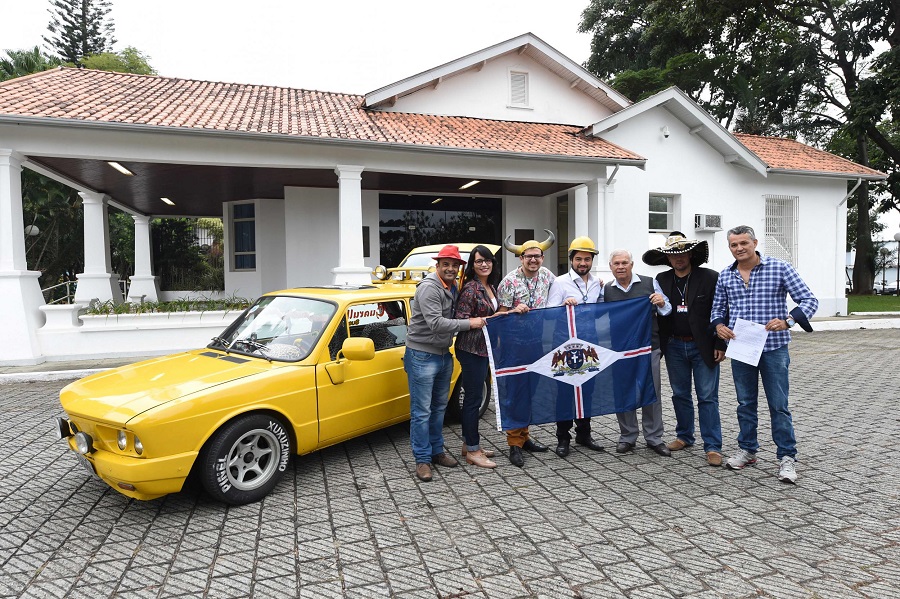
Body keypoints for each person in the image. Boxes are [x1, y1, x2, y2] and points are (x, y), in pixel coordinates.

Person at [710, 225, 818, 484]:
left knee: (778, 405)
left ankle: (787, 457)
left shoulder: (779, 268)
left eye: (744, 243)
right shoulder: (726, 275)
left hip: (774, 348)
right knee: (745, 403)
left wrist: (788, 321)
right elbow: (717, 309)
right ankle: (748, 450)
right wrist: (719, 327)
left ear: (755, 243)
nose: (739, 248)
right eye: (734, 245)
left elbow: (809, 300)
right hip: (742, 349)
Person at [643, 232, 725, 466]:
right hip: (675, 345)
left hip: (704, 346)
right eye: (673, 255)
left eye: (682, 253)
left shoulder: (710, 277)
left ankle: (712, 446)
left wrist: (721, 343)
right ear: (667, 259)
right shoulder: (661, 279)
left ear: (690, 254)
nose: (678, 259)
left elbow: (721, 310)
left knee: (708, 397)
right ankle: (685, 436)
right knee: (680, 394)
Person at [405, 245, 486, 482]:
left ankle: (436, 451)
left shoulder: (452, 286)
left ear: (459, 268)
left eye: (454, 265)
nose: (450, 268)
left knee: (439, 408)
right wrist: (470, 323)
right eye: (446, 264)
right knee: (421, 412)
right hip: (421, 355)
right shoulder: (430, 288)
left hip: (442, 354)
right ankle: (422, 460)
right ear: (437, 265)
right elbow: (436, 323)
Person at [600, 249, 672, 457]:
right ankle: (628, 436)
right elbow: (595, 313)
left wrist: (661, 302)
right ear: (611, 267)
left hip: (649, 346)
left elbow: (666, 309)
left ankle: (654, 437)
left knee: (652, 392)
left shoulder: (650, 283)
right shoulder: (606, 290)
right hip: (620, 351)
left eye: (624, 263)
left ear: (632, 265)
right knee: (623, 392)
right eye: (616, 264)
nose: (620, 267)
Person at [496, 230, 556, 467]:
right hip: (514, 346)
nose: (533, 260)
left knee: (531, 390)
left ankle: (525, 437)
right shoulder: (509, 281)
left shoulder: (548, 276)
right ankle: (513, 443)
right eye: (528, 256)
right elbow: (500, 315)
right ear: (520, 258)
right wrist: (513, 310)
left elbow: (564, 290)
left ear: (542, 257)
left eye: (537, 256)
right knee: (515, 393)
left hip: (537, 343)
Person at [546, 236, 606, 457]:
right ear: (571, 259)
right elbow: (548, 313)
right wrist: (563, 306)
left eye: (587, 259)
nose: (583, 263)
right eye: (579, 258)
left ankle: (584, 433)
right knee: (564, 392)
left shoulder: (596, 283)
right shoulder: (560, 282)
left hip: (589, 343)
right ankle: (563, 438)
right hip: (564, 345)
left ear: (592, 261)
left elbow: (599, 309)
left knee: (587, 390)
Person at [453, 245, 501, 469]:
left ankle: (469, 444)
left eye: (487, 260)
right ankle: (473, 450)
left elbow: (494, 315)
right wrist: (480, 321)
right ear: (472, 266)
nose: (484, 264)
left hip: (484, 349)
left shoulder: (490, 286)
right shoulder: (471, 288)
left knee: (474, 398)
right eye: (479, 261)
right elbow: (461, 318)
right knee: (473, 400)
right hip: (471, 350)